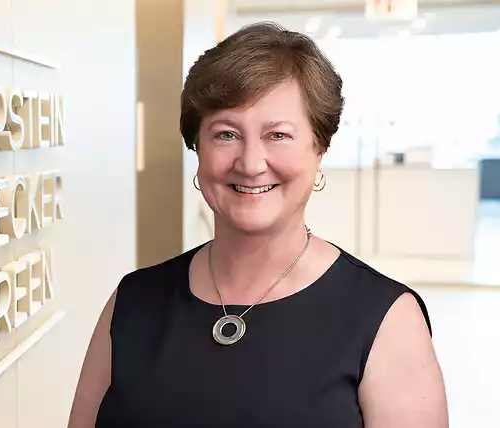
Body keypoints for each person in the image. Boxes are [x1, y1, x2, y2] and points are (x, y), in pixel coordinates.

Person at [68, 22, 448, 427]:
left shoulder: (387, 319)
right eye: (226, 134)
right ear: (198, 149)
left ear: (319, 147)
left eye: (278, 135)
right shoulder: (132, 303)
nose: (250, 164)